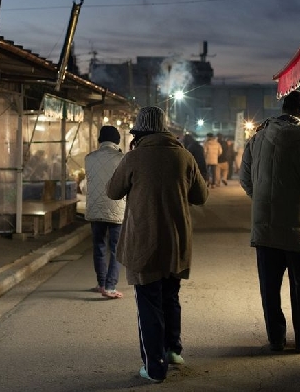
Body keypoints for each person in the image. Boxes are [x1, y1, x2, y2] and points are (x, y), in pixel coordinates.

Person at [107, 106, 209, 383]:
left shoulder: (134, 158)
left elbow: (112, 191)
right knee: (170, 296)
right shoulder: (184, 156)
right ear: (165, 130)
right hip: (177, 241)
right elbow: (201, 196)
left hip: (145, 241)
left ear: (139, 132)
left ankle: (155, 368)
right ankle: (173, 350)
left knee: (149, 303)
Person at [240, 90, 300, 354]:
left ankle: (276, 339)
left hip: (265, 228)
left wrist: (262, 202)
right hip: (299, 226)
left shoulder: (257, 138)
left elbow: (246, 179)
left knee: (269, 287)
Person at [84, 125, 126, 299]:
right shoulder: (123, 159)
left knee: (99, 247)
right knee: (116, 249)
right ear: (117, 140)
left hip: (95, 208)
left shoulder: (89, 158)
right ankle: (110, 286)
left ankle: (101, 283)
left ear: (100, 140)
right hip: (117, 207)